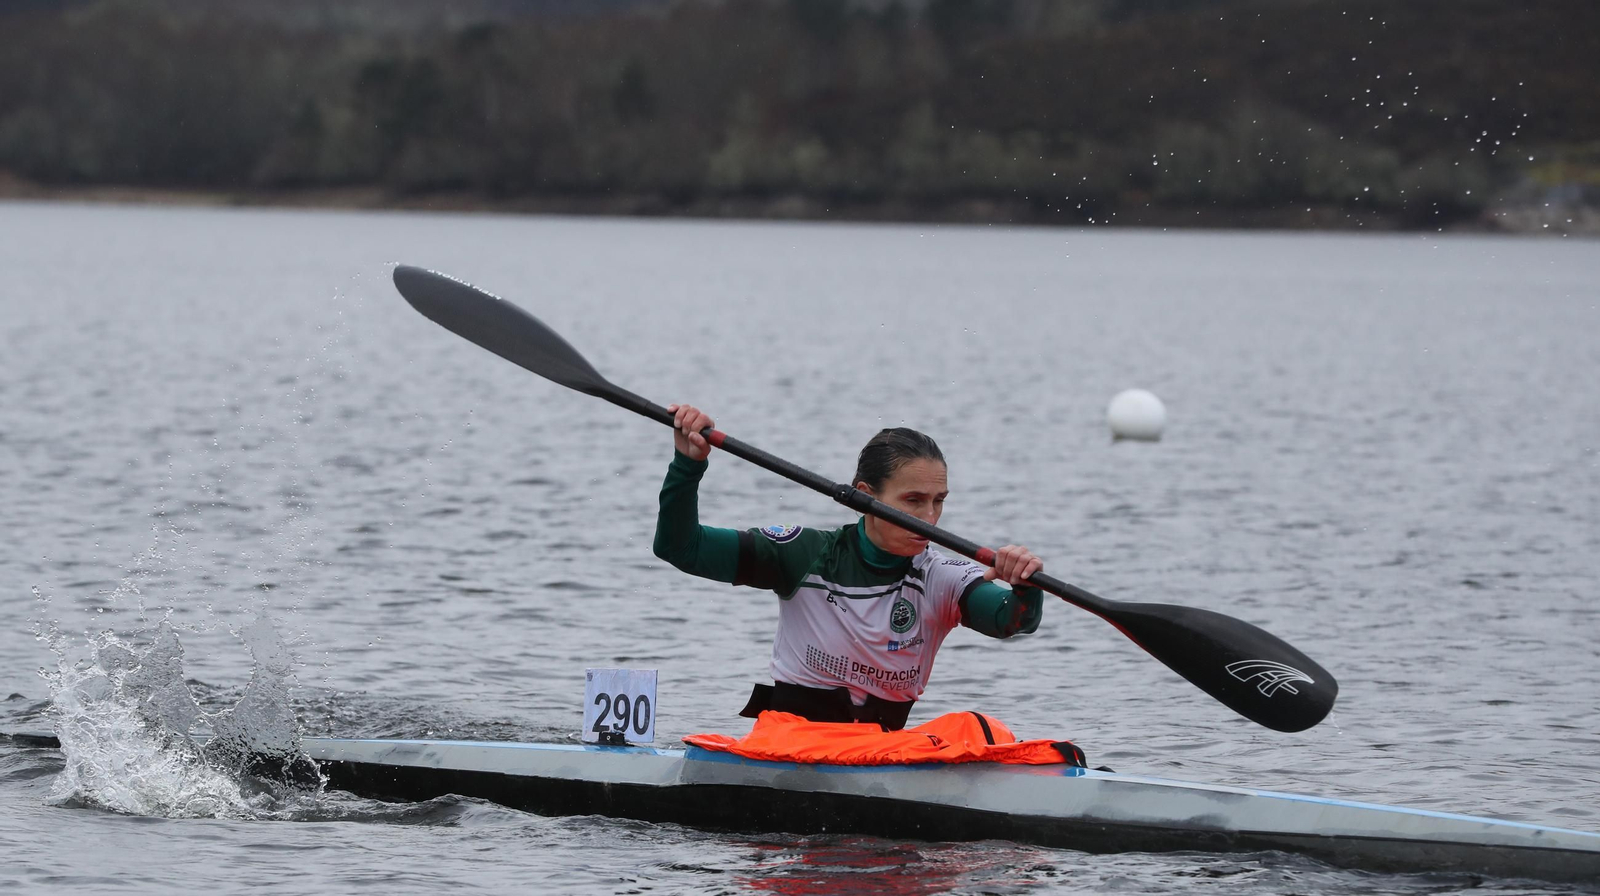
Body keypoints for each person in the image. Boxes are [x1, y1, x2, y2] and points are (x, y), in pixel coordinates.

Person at [653, 404, 1045, 731]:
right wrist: (688, 464)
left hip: (879, 754)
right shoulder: (803, 555)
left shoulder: (941, 578)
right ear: (864, 496)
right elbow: (681, 547)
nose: (929, 517)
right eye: (913, 500)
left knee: (978, 729)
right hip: (792, 747)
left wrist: (1025, 585)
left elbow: (1012, 620)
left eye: (938, 500)